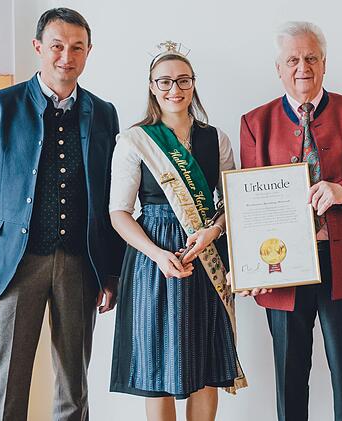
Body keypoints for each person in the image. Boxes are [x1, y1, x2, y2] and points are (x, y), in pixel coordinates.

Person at [0, 8, 124, 420]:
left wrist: (111, 271)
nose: (67, 56)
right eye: (57, 46)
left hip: (80, 263)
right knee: (5, 387)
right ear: (38, 47)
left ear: (88, 52)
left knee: (73, 388)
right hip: (14, 264)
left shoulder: (104, 112)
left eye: (77, 48)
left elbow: (110, 197)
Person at [239, 21, 342, 421]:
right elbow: (249, 203)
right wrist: (250, 265)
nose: (302, 67)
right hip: (281, 267)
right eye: (292, 59)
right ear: (278, 68)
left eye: (311, 58)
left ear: (324, 63)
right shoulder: (255, 122)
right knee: (289, 374)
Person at [108, 42, 246, 421]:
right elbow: (119, 213)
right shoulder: (135, 140)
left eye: (183, 80)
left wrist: (213, 232)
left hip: (205, 254)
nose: (175, 89)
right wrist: (156, 254)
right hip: (155, 259)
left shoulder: (215, 138)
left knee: (206, 362)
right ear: (152, 86)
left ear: (193, 84)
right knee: (158, 366)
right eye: (165, 81)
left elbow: (231, 202)